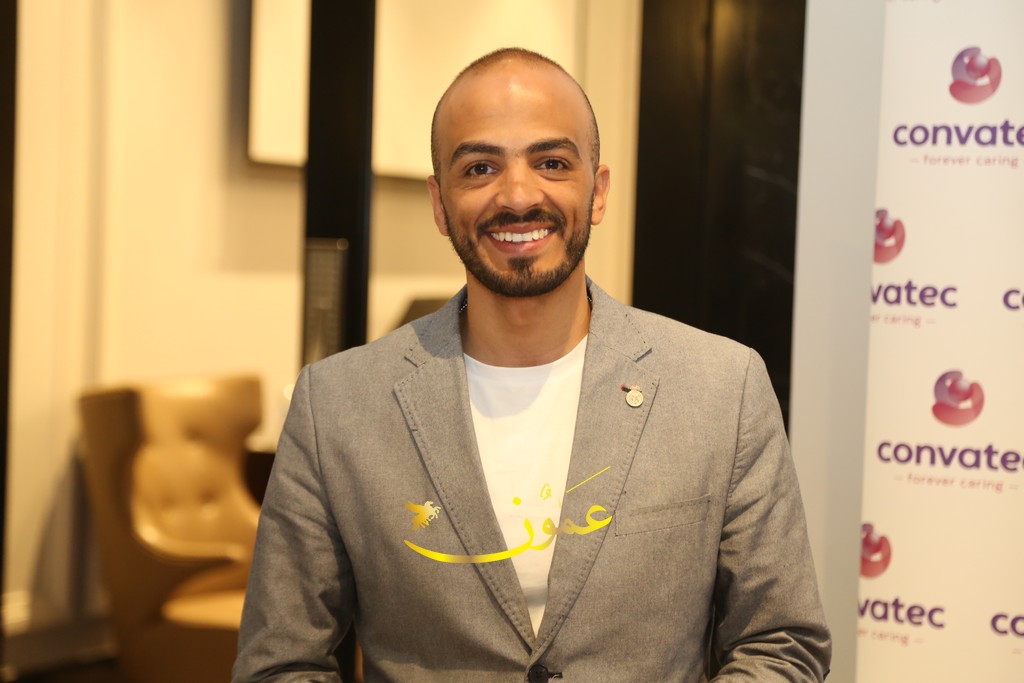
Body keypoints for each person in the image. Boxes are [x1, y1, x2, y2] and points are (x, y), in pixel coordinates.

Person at [233, 47, 830, 682]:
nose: (518, 196)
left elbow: (781, 643)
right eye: (480, 167)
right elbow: (280, 663)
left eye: (551, 163)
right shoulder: (336, 405)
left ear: (598, 192)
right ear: (440, 204)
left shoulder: (722, 388)